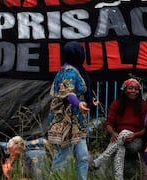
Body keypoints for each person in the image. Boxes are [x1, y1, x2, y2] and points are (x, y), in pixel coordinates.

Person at [47, 41, 98, 180]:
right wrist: (78, 103)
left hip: (76, 122)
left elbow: (81, 90)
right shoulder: (69, 71)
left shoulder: (77, 70)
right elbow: (68, 92)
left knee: (82, 156)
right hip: (64, 122)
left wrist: (89, 101)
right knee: (61, 158)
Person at [91, 78, 147, 180]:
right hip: (119, 139)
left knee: (124, 133)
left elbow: (146, 128)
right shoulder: (116, 104)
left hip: (136, 141)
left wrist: (135, 135)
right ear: (124, 89)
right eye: (130, 88)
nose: (133, 91)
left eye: (136, 89)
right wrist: (113, 133)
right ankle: (119, 177)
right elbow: (108, 123)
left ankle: (100, 159)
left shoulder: (144, 105)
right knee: (120, 149)